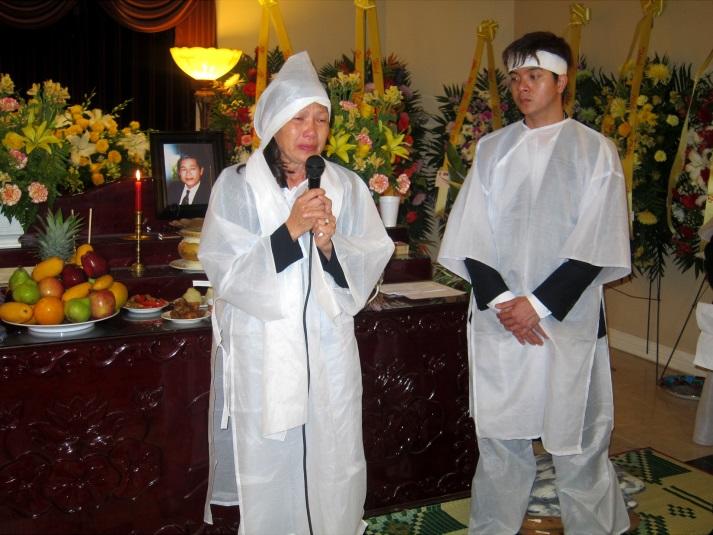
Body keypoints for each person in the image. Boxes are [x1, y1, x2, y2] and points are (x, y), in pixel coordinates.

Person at [438, 31, 631, 534]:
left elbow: (598, 241)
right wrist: (507, 302)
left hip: (565, 321)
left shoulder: (595, 151)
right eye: (516, 78)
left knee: (577, 440)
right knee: (501, 441)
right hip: (502, 319)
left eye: (534, 76)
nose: (522, 87)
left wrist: (538, 305)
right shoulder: (493, 149)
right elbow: (471, 234)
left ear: (561, 81)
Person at [198, 51, 394, 535]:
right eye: (299, 118)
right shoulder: (237, 186)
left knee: (334, 458)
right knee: (273, 466)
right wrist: (290, 229)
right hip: (264, 351)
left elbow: (369, 259)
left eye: (321, 119)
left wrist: (329, 246)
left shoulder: (346, 185)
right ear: (273, 123)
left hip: (329, 350)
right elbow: (227, 272)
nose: (311, 130)